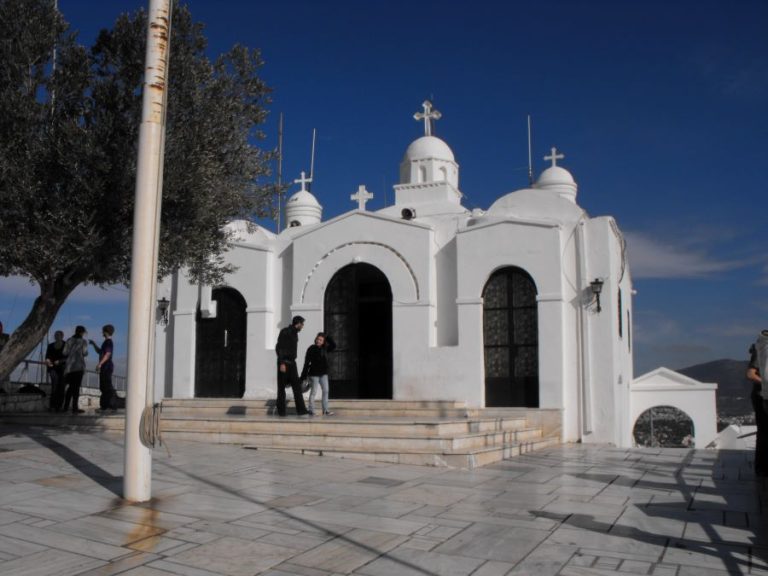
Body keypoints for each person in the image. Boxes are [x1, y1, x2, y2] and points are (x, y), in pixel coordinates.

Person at [275, 315, 308, 417]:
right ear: (297, 323)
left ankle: (302, 411)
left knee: (297, 387)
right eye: (302, 324)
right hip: (284, 363)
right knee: (281, 389)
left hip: (292, 363)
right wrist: (282, 363)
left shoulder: (295, 333)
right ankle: (281, 412)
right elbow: (279, 348)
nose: (303, 326)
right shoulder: (285, 331)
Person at [300, 332, 336, 416]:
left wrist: (327, 337)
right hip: (314, 374)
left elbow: (334, 345)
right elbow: (306, 362)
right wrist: (303, 376)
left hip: (323, 374)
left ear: (323, 341)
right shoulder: (311, 349)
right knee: (313, 392)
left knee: (326, 390)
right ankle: (311, 410)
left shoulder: (325, 348)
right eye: (317, 339)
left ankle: (326, 410)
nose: (318, 341)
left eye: (321, 340)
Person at [748, 340, 768, 476]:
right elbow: (750, 374)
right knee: (764, 431)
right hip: (761, 396)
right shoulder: (762, 348)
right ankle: (761, 468)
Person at [90, 324, 116, 412]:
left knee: (107, 387)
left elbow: (107, 354)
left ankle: (109, 406)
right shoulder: (105, 342)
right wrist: (93, 344)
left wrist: (100, 364)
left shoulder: (109, 342)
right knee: (103, 387)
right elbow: (100, 352)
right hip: (104, 367)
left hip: (107, 367)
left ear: (106, 332)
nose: (102, 332)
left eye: (103, 331)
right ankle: (104, 406)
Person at [62, 326, 88, 414]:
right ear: (82, 332)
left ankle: (65, 407)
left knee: (70, 387)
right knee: (76, 388)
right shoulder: (83, 342)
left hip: (69, 367)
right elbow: (85, 353)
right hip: (79, 367)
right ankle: (74, 408)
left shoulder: (69, 340)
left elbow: (64, 352)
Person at [45, 331, 67, 412]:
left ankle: (59, 406)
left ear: (62, 336)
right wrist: (48, 361)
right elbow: (47, 356)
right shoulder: (50, 346)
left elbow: (68, 357)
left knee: (61, 387)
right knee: (54, 386)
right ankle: (52, 406)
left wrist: (60, 361)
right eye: (55, 335)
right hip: (52, 368)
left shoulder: (66, 345)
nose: (56, 336)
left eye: (58, 335)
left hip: (63, 369)